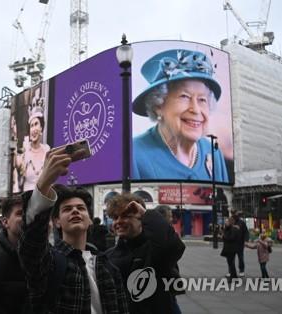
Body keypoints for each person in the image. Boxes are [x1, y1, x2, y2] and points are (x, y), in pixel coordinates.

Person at [18, 148, 129, 313]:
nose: (75, 211)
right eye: (67, 209)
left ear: (90, 219)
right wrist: (44, 183)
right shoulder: (49, 262)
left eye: (81, 208)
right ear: (56, 222)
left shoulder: (109, 267)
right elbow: (31, 243)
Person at [131, 49, 229, 182]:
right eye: (184, 96)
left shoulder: (213, 152)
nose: (195, 109)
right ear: (158, 105)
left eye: (202, 99)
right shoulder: (134, 155)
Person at [106, 196, 185, 314]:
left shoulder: (155, 249)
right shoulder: (109, 255)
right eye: (115, 217)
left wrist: (145, 213)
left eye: (125, 216)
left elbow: (172, 246)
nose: (118, 222)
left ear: (141, 220)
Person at [14, 88, 50, 192]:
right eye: (31, 126)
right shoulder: (24, 152)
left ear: (41, 129)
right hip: (27, 198)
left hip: (44, 198)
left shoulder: (47, 150)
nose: (33, 129)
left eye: (36, 125)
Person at [231, 209, 249, 276]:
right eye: (233, 213)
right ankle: (231, 271)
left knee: (240, 258)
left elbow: (246, 232)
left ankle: (241, 270)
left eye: (235, 213)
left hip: (240, 243)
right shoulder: (230, 222)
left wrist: (246, 240)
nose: (234, 215)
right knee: (231, 259)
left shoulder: (241, 222)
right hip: (231, 243)